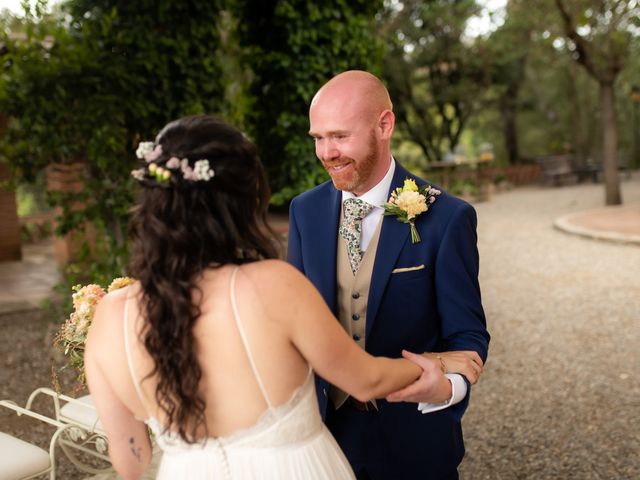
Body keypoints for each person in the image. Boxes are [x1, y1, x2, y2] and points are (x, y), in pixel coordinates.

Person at [84, 115, 434, 480]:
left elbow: (129, 459)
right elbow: (367, 381)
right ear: (239, 201)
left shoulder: (109, 317)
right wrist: (434, 365)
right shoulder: (271, 286)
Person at [287, 70, 490, 479]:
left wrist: (448, 388)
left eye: (340, 136)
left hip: (414, 438)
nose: (327, 152)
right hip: (324, 440)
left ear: (384, 125)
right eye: (318, 138)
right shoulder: (303, 212)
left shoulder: (447, 218)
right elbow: (293, 325)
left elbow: (467, 336)